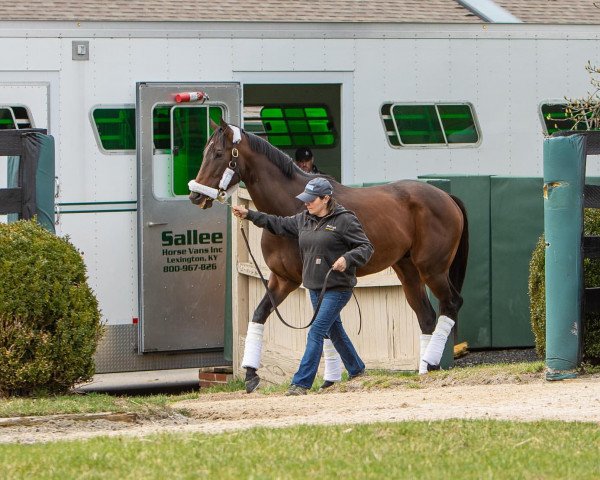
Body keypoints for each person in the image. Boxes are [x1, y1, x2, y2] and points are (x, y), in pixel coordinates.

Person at [233, 177, 374, 395]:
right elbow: (277, 223)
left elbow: (365, 247)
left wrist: (348, 258)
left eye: (311, 199)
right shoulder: (303, 220)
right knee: (333, 330)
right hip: (315, 287)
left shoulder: (345, 220)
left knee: (316, 331)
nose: (306, 203)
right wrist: (249, 215)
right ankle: (357, 369)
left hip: (337, 288)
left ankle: (301, 383)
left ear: (326, 198)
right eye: (305, 199)